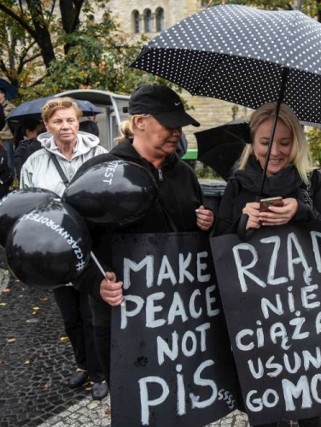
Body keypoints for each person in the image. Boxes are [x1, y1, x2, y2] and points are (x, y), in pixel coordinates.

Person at [72, 85, 212, 410]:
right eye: (168, 123)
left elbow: (196, 242)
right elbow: (74, 247)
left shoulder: (185, 175)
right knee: (134, 407)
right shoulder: (100, 174)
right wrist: (95, 284)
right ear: (139, 122)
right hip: (119, 319)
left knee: (179, 405)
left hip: (177, 318)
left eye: (180, 124)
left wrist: (209, 223)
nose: (177, 131)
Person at [214, 102, 321, 427]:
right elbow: (219, 246)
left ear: (296, 142)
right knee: (266, 410)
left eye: (285, 142)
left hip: (305, 315)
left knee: (310, 407)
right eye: (266, 142)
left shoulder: (311, 183)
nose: (275, 151)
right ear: (252, 142)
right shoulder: (237, 184)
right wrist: (243, 225)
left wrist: (302, 210)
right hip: (256, 318)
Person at [19, 97, 109, 400]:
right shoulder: (35, 162)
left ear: (78, 120)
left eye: (70, 120)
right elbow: (26, 206)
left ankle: (100, 372)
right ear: (47, 126)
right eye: (58, 121)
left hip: (92, 248)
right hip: (53, 251)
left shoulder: (99, 155)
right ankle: (83, 364)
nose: (66, 126)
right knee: (70, 316)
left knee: (92, 313)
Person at [0, 86, 16, 181]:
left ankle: (11, 179)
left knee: (9, 159)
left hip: (6, 136)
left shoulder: (10, 107)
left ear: (3, 94)